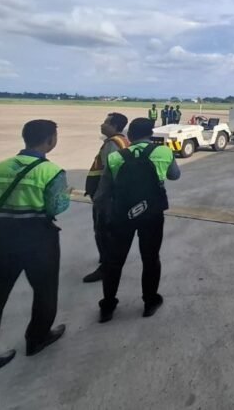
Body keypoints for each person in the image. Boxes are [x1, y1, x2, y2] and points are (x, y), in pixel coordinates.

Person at [0, 120, 70, 387]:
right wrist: (65, 196)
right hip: (37, 239)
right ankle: (37, 338)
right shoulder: (51, 171)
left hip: (1, 240)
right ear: (49, 140)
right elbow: (55, 207)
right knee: (45, 291)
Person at [97, 117, 180, 323]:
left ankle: (107, 306)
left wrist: (103, 216)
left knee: (114, 261)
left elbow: (103, 192)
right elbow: (174, 175)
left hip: (121, 214)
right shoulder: (163, 152)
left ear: (130, 136)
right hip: (151, 214)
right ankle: (150, 302)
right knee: (150, 258)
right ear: (150, 134)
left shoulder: (116, 156)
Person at [82, 112, 129, 284]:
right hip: (112, 197)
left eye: (106, 123)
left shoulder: (112, 144)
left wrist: (101, 197)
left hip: (106, 198)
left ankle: (106, 267)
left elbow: (109, 174)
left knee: (103, 232)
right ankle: (109, 261)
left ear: (115, 126)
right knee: (108, 232)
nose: (102, 125)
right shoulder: (123, 141)